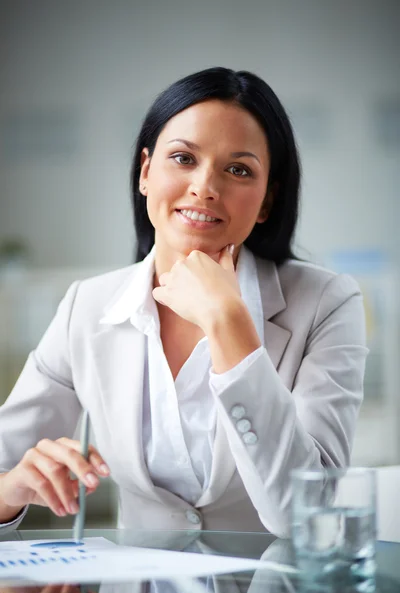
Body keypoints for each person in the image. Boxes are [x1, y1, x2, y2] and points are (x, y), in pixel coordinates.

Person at [0, 67, 368, 537]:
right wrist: (10, 491)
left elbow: (304, 515)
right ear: (146, 172)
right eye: (183, 158)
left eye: (238, 169)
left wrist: (228, 322)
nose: (205, 186)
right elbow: (5, 464)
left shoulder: (327, 303)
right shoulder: (86, 307)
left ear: (267, 201)